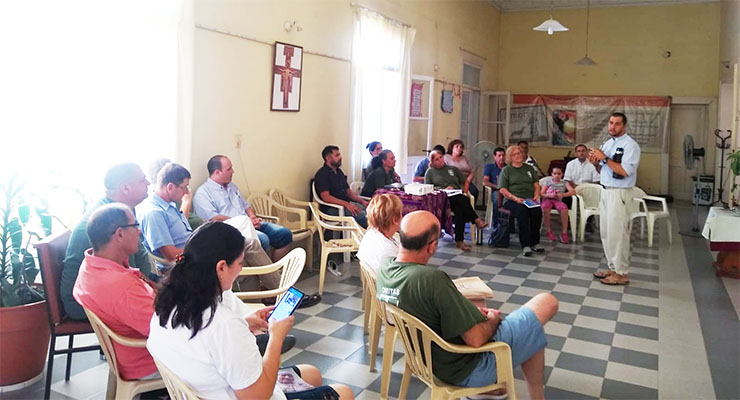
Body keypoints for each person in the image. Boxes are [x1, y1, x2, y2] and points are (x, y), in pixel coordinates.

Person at [146, 222, 354, 400]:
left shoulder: (166, 306)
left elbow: (205, 343)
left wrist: (245, 322)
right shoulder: (223, 323)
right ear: (221, 267)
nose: (240, 270)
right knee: (344, 392)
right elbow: (258, 395)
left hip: (211, 389)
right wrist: (276, 337)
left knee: (312, 373)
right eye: (238, 264)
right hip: (249, 393)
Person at [376, 211, 558, 400]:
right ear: (432, 246)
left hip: (425, 362)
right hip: (465, 368)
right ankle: (533, 396)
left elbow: (430, 312)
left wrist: (471, 313)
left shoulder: (386, 268)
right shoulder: (431, 280)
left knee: (530, 330)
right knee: (546, 302)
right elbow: (476, 340)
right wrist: (493, 319)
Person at [72, 203, 160, 381]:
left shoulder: (91, 264)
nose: (139, 232)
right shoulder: (120, 286)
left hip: (127, 353)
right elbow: (168, 331)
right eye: (135, 226)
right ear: (119, 234)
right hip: (149, 361)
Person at [60, 163, 154, 321]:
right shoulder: (108, 221)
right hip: (84, 302)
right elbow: (128, 276)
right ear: (125, 189)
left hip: (113, 290)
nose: (148, 184)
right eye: (142, 180)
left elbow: (137, 266)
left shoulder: (120, 212)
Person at [193, 155, 293, 260]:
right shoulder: (203, 193)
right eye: (229, 169)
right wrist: (245, 221)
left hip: (248, 223)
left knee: (284, 234)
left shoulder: (232, 187)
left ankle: (275, 269)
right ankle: (266, 274)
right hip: (231, 229)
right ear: (217, 172)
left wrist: (253, 218)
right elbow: (214, 218)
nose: (233, 171)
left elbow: (246, 206)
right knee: (262, 239)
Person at [589, 112, 641, 285]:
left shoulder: (630, 146)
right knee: (606, 232)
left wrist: (604, 158)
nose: (612, 127)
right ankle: (612, 267)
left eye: (617, 124)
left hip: (620, 192)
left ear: (624, 126)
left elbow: (624, 171)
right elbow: (603, 169)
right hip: (605, 190)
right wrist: (596, 162)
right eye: (611, 123)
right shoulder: (608, 143)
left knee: (618, 233)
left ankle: (622, 273)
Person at [424, 150, 488, 251]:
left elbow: (465, 181)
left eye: (441, 157)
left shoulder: (452, 169)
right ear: (432, 162)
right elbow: (428, 188)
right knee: (463, 200)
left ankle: (460, 241)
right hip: (441, 198)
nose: (440, 160)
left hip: (456, 196)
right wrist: (443, 189)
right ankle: (476, 220)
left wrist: (465, 191)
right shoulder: (430, 172)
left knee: (460, 209)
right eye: (437, 159)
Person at [498, 145, 543, 256]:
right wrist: (516, 199)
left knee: (537, 212)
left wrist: (536, 195)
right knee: (522, 212)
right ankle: (526, 245)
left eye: (519, 153)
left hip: (529, 199)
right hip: (512, 199)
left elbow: (536, 184)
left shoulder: (529, 168)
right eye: (515, 154)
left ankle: (535, 243)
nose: (518, 156)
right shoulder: (506, 170)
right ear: (510, 157)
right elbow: (502, 189)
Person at [314, 145, 369, 228]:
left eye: (339, 154)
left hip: (344, 205)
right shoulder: (322, 174)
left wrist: (362, 201)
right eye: (337, 155)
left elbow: (349, 193)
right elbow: (326, 197)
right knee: (361, 216)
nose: (340, 157)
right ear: (328, 158)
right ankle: (370, 237)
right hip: (332, 208)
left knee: (370, 211)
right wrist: (346, 204)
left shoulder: (339, 172)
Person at [149, 158, 203, 229]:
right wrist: (186, 202)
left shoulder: (171, 202)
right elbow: (188, 223)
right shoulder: (155, 213)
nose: (187, 191)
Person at [356, 194, 403, 275]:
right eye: (401, 213)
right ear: (395, 220)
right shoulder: (388, 251)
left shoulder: (371, 234)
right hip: (389, 284)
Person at [540, 167, 575, 244]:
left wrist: (563, 194)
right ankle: (549, 231)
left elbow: (572, 191)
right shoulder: (547, 182)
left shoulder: (564, 182)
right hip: (548, 199)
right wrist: (549, 195)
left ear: (562, 174)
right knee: (545, 208)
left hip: (557, 200)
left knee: (564, 209)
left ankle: (564, 233)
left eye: (559, 174)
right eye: (555, 174)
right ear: (552, 174)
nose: (557, 176)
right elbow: (542, 194)